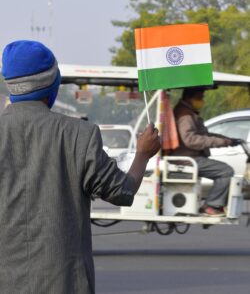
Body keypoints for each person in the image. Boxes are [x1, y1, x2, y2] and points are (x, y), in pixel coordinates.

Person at [0, 40, 161, 294]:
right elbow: (123, 191)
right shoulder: (79, 134)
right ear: (52, 85)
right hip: (64, 283)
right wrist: (143, 153)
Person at [170, 87, 241, 216]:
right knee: (225, 171)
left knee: (224, 170)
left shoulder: (189, 112)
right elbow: (190, 140)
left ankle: (217, 204)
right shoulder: (185, 114)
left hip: (190, 157)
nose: (201, 101)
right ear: (188, 98)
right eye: (199, 98)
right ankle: (211, 205)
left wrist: (227, 140)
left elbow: (205, 135)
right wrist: (224, 142)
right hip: (186, 159)